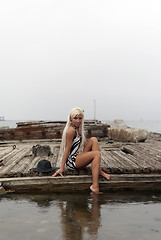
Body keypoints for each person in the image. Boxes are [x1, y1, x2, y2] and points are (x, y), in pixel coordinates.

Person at [52, 107, 110, 194]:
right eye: (75, 118)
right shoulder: (71, 130)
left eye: (80, 118)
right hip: (72, 161)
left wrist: (95, 162)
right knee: (96, 154)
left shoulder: (78, 129)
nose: (78, 121)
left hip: (77, 157)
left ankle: (97, 169)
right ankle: (95, 186)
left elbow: (86, 144)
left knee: (93, 139)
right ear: (70, 118)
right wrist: (61, 168)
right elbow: (67, 150)